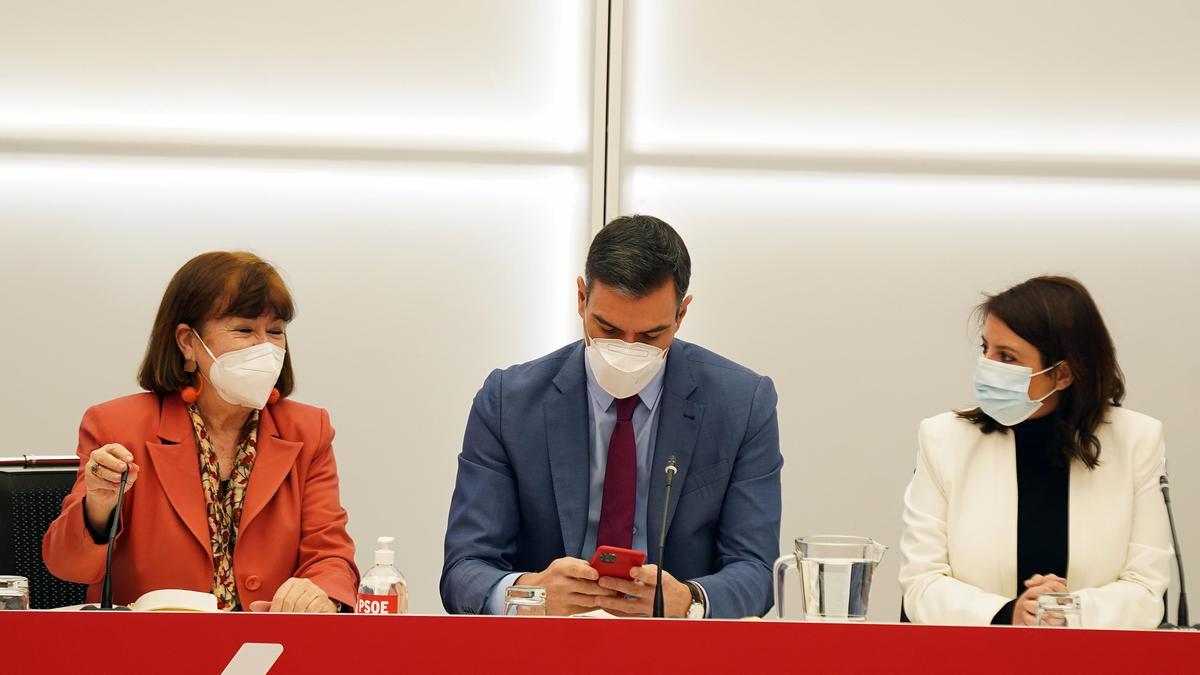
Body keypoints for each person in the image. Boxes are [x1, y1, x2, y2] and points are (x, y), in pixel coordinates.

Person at [441, 215, 783, 619]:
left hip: (679, 654)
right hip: (544, 650)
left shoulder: (742, 404)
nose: (627, 349)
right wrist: (531, 595)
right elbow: (463, 571)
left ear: (681, 314)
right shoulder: (507, 403)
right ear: (581, 298)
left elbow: (757, 571)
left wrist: (689, 601)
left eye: (650, 336)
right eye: (607, 328)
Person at [43, 251, 358, 612]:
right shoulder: (117, 425)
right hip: (148, 655)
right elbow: (69, 566)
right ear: (187, 342)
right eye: (244, 330)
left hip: (269, 653)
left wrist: (321, 593)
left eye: (275, 332)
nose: (265, 349)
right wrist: (98, 505)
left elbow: (331, 555)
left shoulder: (308, 429)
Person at [899, 276, 1172, 628]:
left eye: (1006, 357)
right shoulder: (943, 439)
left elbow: (1146, 590)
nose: (988, 365)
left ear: (1062, 374)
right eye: (986, 350)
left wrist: (1062, 610)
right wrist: (1009, 613)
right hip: (974, 659)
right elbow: (921, 584)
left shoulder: (1138, 440)